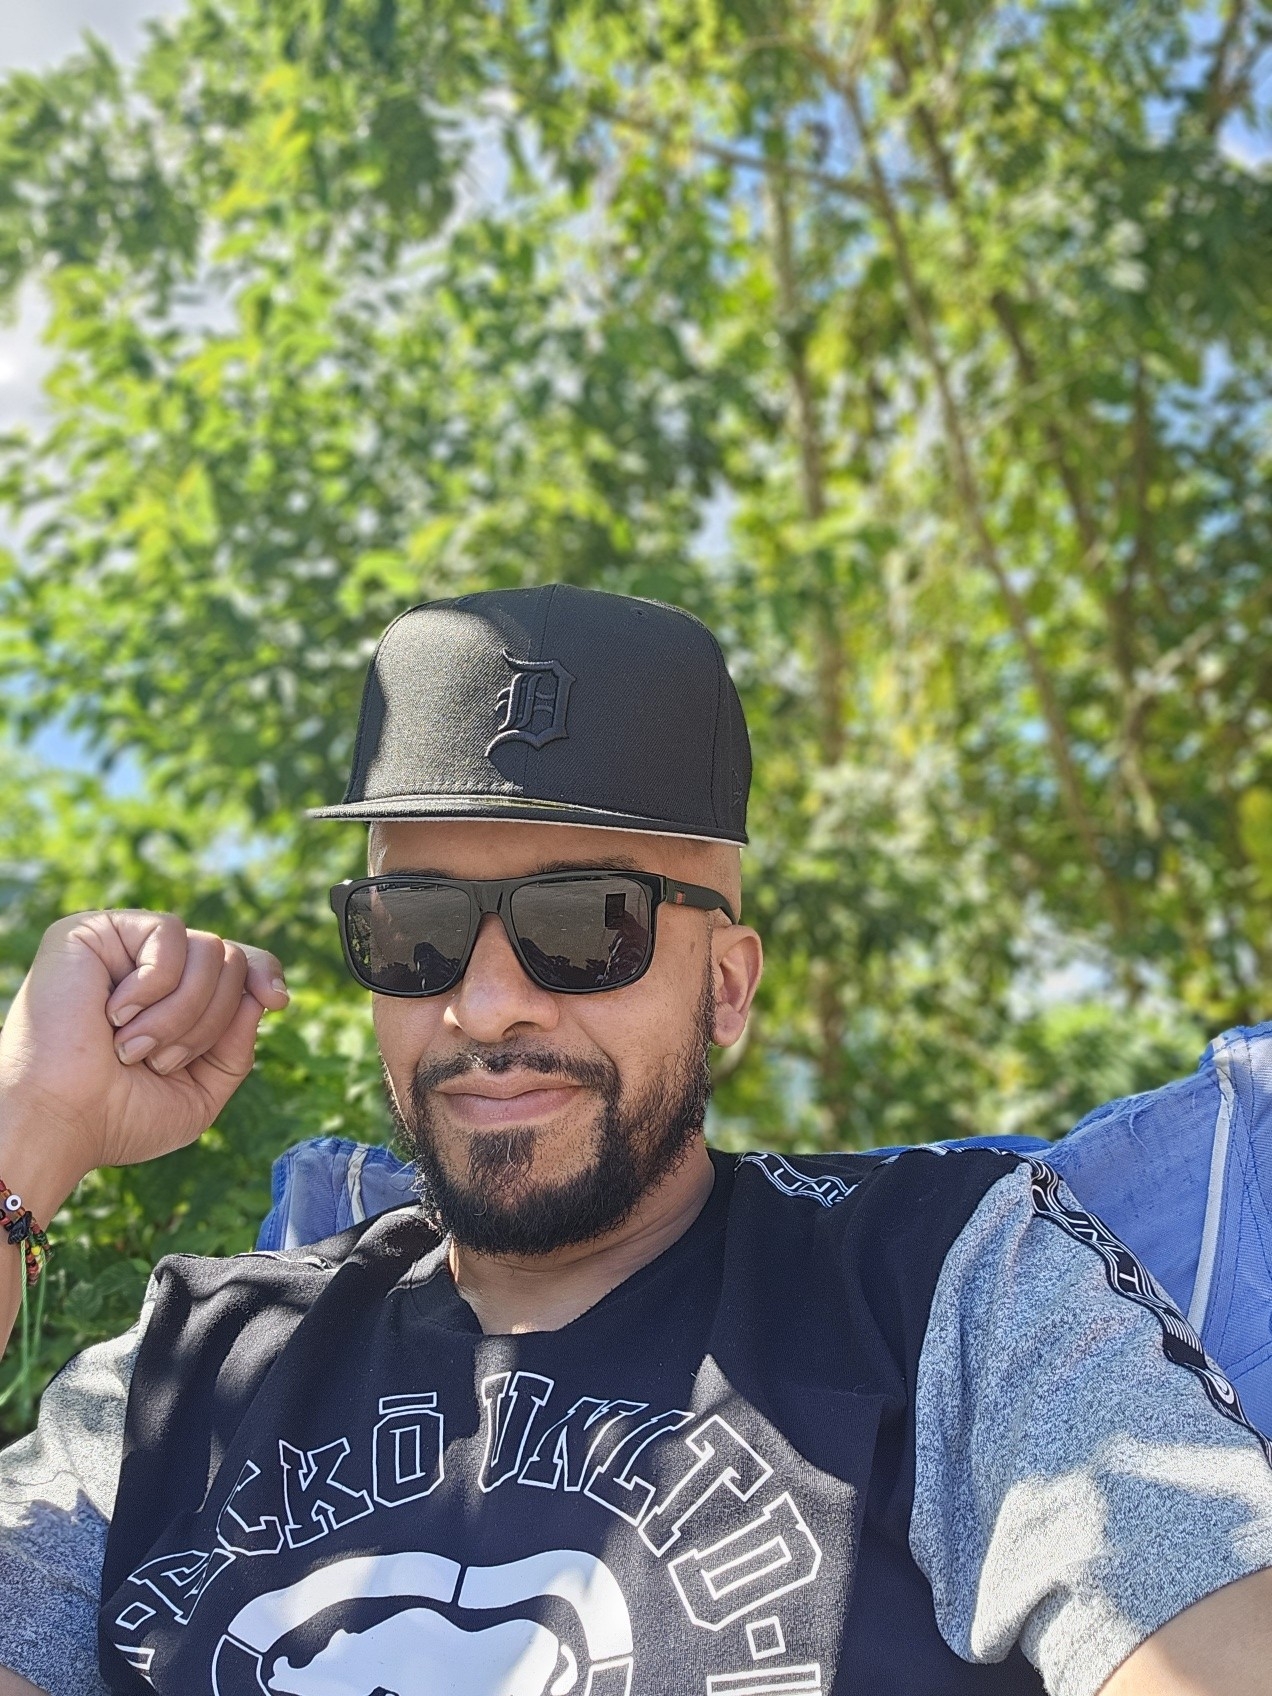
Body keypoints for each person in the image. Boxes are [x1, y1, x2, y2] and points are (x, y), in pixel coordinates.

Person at [0, 584, 1270, 1696]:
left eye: (583, 923)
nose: (486, 1003)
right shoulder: (193, 1367)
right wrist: (32, 1129)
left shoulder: (947, 1281)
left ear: (728, 985)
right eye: (414, 925)